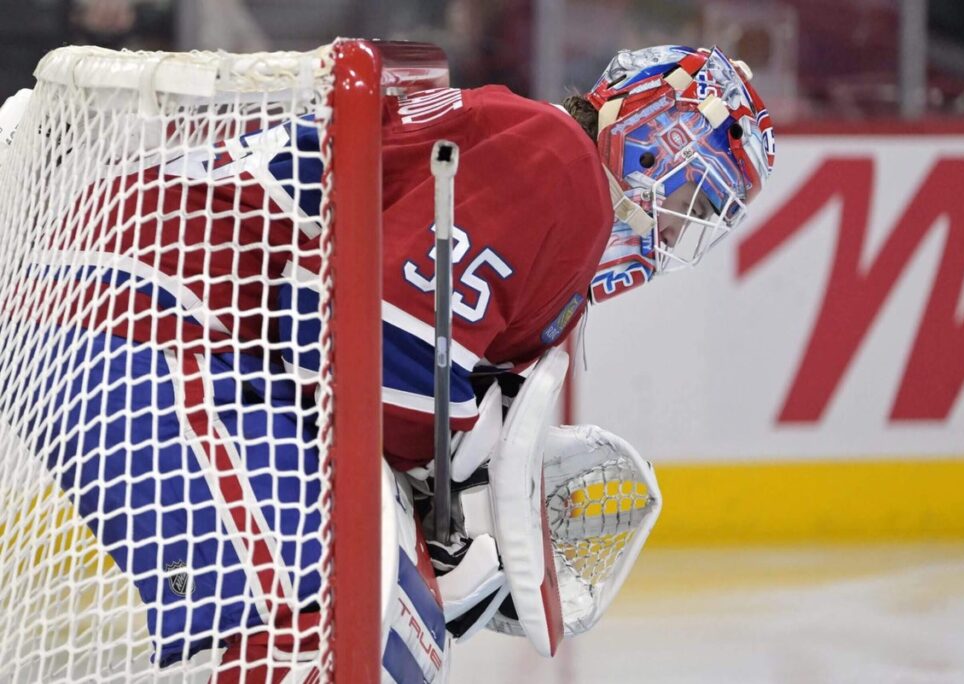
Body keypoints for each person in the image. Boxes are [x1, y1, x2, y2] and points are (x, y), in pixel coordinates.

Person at [0, 43, 773, 677]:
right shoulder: (562, 168)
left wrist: (455, 496)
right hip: (153, 314)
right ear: (654, 134)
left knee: (397, 626)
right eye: (694, 197)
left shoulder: (538, 161)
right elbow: (361, 349)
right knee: (332, 624)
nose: (679, 230)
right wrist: (454, 500)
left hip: (161, 317)